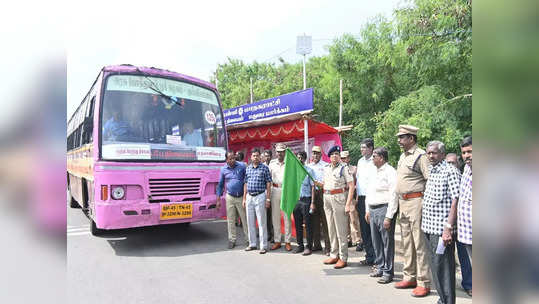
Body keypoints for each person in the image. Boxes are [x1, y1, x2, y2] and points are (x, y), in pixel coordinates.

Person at [394, 125, 431, 297]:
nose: (399, 141)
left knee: (419, 243)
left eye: (402, 137)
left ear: (411, 138)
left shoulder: (421, 156)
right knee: (407, 242)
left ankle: (424, 281)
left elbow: (429, 180)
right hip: (403, 202)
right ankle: (410, 276)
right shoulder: (403, 156)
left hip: (417, 202)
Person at [422, 141, 461, 304]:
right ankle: (442, 299)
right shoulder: (433, 170)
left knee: (443, 267)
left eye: (434, 153)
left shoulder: (450, 171)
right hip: (428, 228)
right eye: (429, 153)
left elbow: (456, 200)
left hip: (441, 231)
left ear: (443, 155)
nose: (431, 156)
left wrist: (448, 229)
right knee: (435, 266)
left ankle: (448, 301)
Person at [365, 147, 398, 284]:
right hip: (372, 209)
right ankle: (379, 266)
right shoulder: (373, 171)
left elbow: (393, 194)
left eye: (374, 156)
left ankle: (388, 271)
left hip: (384, 209)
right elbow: (369, 191)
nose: (372, 158)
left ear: (382, 158)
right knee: (376, 241)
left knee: (387, 242)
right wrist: (367, 209)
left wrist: (389, 216)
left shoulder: (390, 172)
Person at [320, 145, 355, 269]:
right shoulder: (326, 168)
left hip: (339, 198)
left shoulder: (343, 168)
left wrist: (348, 204)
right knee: (331, 228)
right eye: (332, 154)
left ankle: (343, 257)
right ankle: (334, 254)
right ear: (329, 157)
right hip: (327, 197)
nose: (335, 156)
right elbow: (325, 182)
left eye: (337, 154)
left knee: (341, 230)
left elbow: (351, 186)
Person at [446, 152, 473, 297]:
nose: (451, 166)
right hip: (448, 224)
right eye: (448, 163)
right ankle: (447, 285)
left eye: (453, 163)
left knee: (465, 256)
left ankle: (469, 284)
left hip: (464, 225)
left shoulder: (463, 174)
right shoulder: (444, 176)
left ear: (458, 163)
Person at [216, 152, 248, 249]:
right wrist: (218, 200)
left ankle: (249, 240)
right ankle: (232, 240)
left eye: (234, 158)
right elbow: (220, 185)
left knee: (244, 219)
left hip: (241, 196)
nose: (232, 160)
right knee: (231, 219)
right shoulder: (223, 169)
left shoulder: (242, 166)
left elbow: (247, 180)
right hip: (229, 197)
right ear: (226, 160)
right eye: (230, 159)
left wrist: (246, 197)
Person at [453, 137, 473, 296]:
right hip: (467, 231)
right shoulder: (466, 169)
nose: (467, 155)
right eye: (464, 152)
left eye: (470, 151)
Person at [243, 148, 272, 254]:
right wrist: (244, 198)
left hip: (260, 196)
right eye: (253, 155)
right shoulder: (248, 168)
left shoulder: (264, 168)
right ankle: (252, 244)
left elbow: (269, 184)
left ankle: (263, 246)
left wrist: (268, 198)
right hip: (249, 197)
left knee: (261, 222)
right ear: (251, 157)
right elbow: (245, 183)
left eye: (257, 155)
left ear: (260, 157)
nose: (255, 157)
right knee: (250, 222)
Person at [355, 138, 377, 264]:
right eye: (361, 147)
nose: (362, 149)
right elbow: (359, 181)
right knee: (364, 228)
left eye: (364, 147)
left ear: (370, 148)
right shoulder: (360, 161)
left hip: (372, 198)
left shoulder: (375, 161)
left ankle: (376, 256)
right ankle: (369, 256)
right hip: (362, 198)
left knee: (372, 228)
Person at [269, 143, 293, 251]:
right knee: (275, 216)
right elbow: (268, 180)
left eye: (282, 151)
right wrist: (268, 195)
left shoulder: (290, 163)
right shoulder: (272, 163)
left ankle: (288, 241)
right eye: (278, 151)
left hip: (286, 190)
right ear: (276, 152)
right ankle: (277, 240)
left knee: (287, 216)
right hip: (275, 190)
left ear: (285, 152)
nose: (280, 153)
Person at [307, 145, 331, 255]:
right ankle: (316, 245)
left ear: (321, 155)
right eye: (313, 153)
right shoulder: (308, 166)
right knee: (314, 221)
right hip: (312, 194)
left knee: (325, 221)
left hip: (323, 193)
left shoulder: (326, 165)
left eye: (317, 153)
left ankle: (328, 247)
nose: (315, 155)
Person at [292, 151, 315, 255]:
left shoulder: (309, 170)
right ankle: (300, 245)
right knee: (297, 224)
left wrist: (312, 202)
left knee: (308, 224)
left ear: (305, 159)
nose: (299, 160)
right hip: (296, 200)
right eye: (298, 158)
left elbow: (313, 187)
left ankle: (308, 247)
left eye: (301, 158)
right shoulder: (293, 171)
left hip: (306, 200)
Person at [340, 151, 362, 247]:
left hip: (351, 194)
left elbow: (358, 184)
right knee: (344, 220)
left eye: (346, 158)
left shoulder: (354, 169)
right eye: (342, 158)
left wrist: (356, 198)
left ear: (349, 158)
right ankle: (348, 239)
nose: (344, 160)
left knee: (354, 219)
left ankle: (358, 240)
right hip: (341, 195)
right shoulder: (339, 169)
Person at [261, 149, 274, 243]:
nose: (267, 157)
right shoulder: (262, 166)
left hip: (274, 190)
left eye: (268, 155)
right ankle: (268, 234)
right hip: (265, 192)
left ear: (271, 156)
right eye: (265, 156)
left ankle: (274, 235)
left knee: (273, 215)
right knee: (266, 215)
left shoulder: (274, 164)